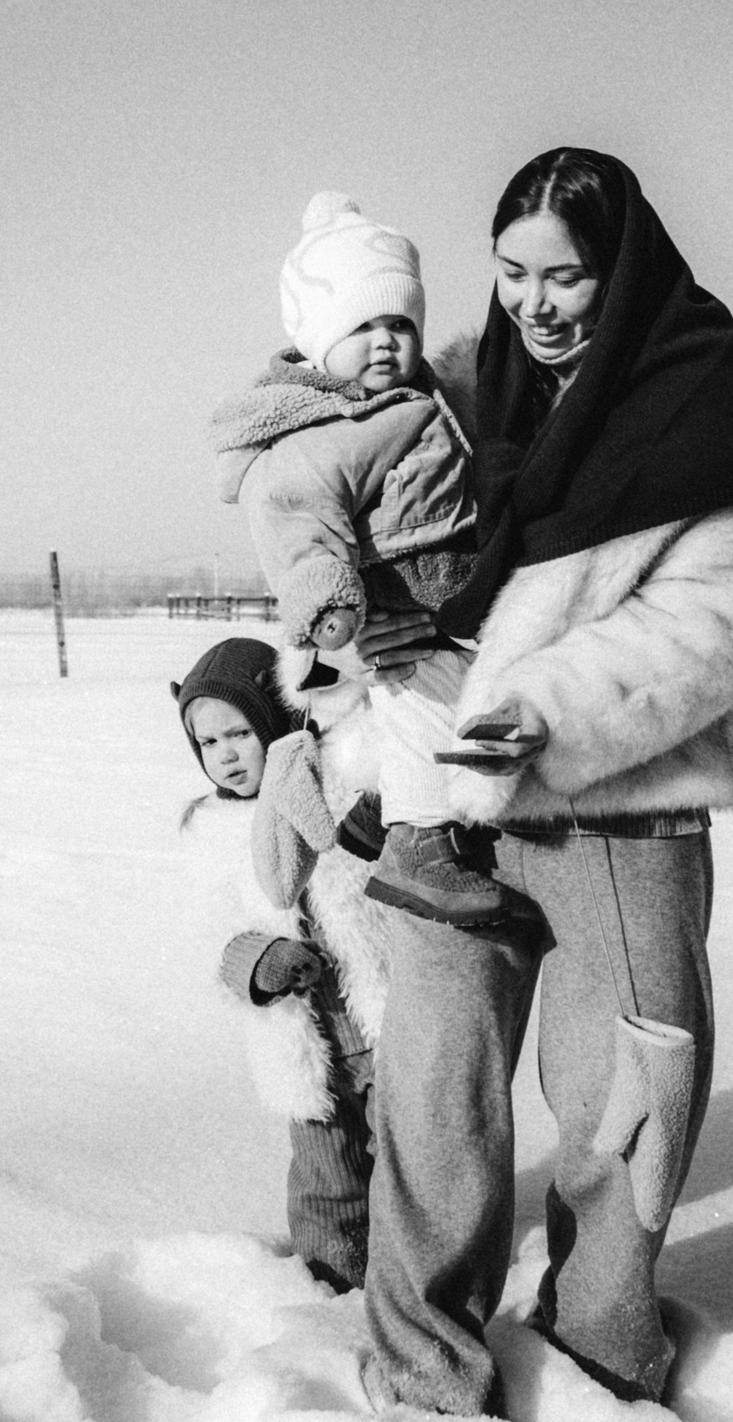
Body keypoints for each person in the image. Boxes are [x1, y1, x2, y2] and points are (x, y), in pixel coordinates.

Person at [358, 147, 733, 1416]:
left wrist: (542, 712)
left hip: (619, 811)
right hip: (449, 808)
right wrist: (368, 631)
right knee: (433, 1095)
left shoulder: (705, 399)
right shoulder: (460, 396)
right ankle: (421, 1377)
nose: (533, 304)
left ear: (625, 268)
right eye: (511, 272)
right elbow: (364, 516)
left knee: (627, 1102)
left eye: (565, 276)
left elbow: (714, 625)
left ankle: (600, 1354)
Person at [209, 194, 521, 926]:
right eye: (362, 326)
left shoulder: (425, 401)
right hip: (391, 605)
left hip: (451, 596)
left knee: (457, 707)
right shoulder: (331, 429)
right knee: (425, 699)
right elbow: (297, 514)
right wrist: (329, 606)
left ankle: (396, 817)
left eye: (401, 325)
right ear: (320, 340)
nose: (386, 342)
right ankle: (418, 842)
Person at [171, 636, 390, 1292]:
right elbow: (207, 932)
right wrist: (258, 959)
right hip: (302, 1043)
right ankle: (333, 1290)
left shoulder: (337, 788)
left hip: (385, 1023)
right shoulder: (210, 828)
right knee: (327, 1181)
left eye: (240, 733)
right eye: (208, 742)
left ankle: (412, 1286)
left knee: (409, 1164)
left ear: (279, 717)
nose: (225, 754)